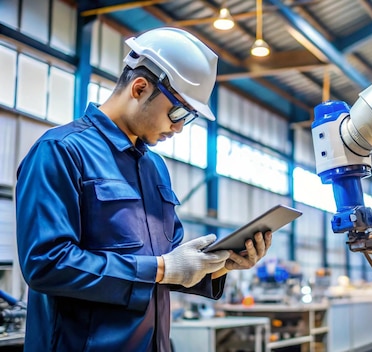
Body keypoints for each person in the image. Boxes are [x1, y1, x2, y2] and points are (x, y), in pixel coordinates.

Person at [15, 27, 271, 351]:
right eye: (177, 112)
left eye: (187, 118)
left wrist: (218, 266)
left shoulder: (155, 168)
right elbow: (47, 264)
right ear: (139, 88)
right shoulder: (60, 151)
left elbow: (173, 265)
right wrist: (162, 269)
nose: (178, 127)